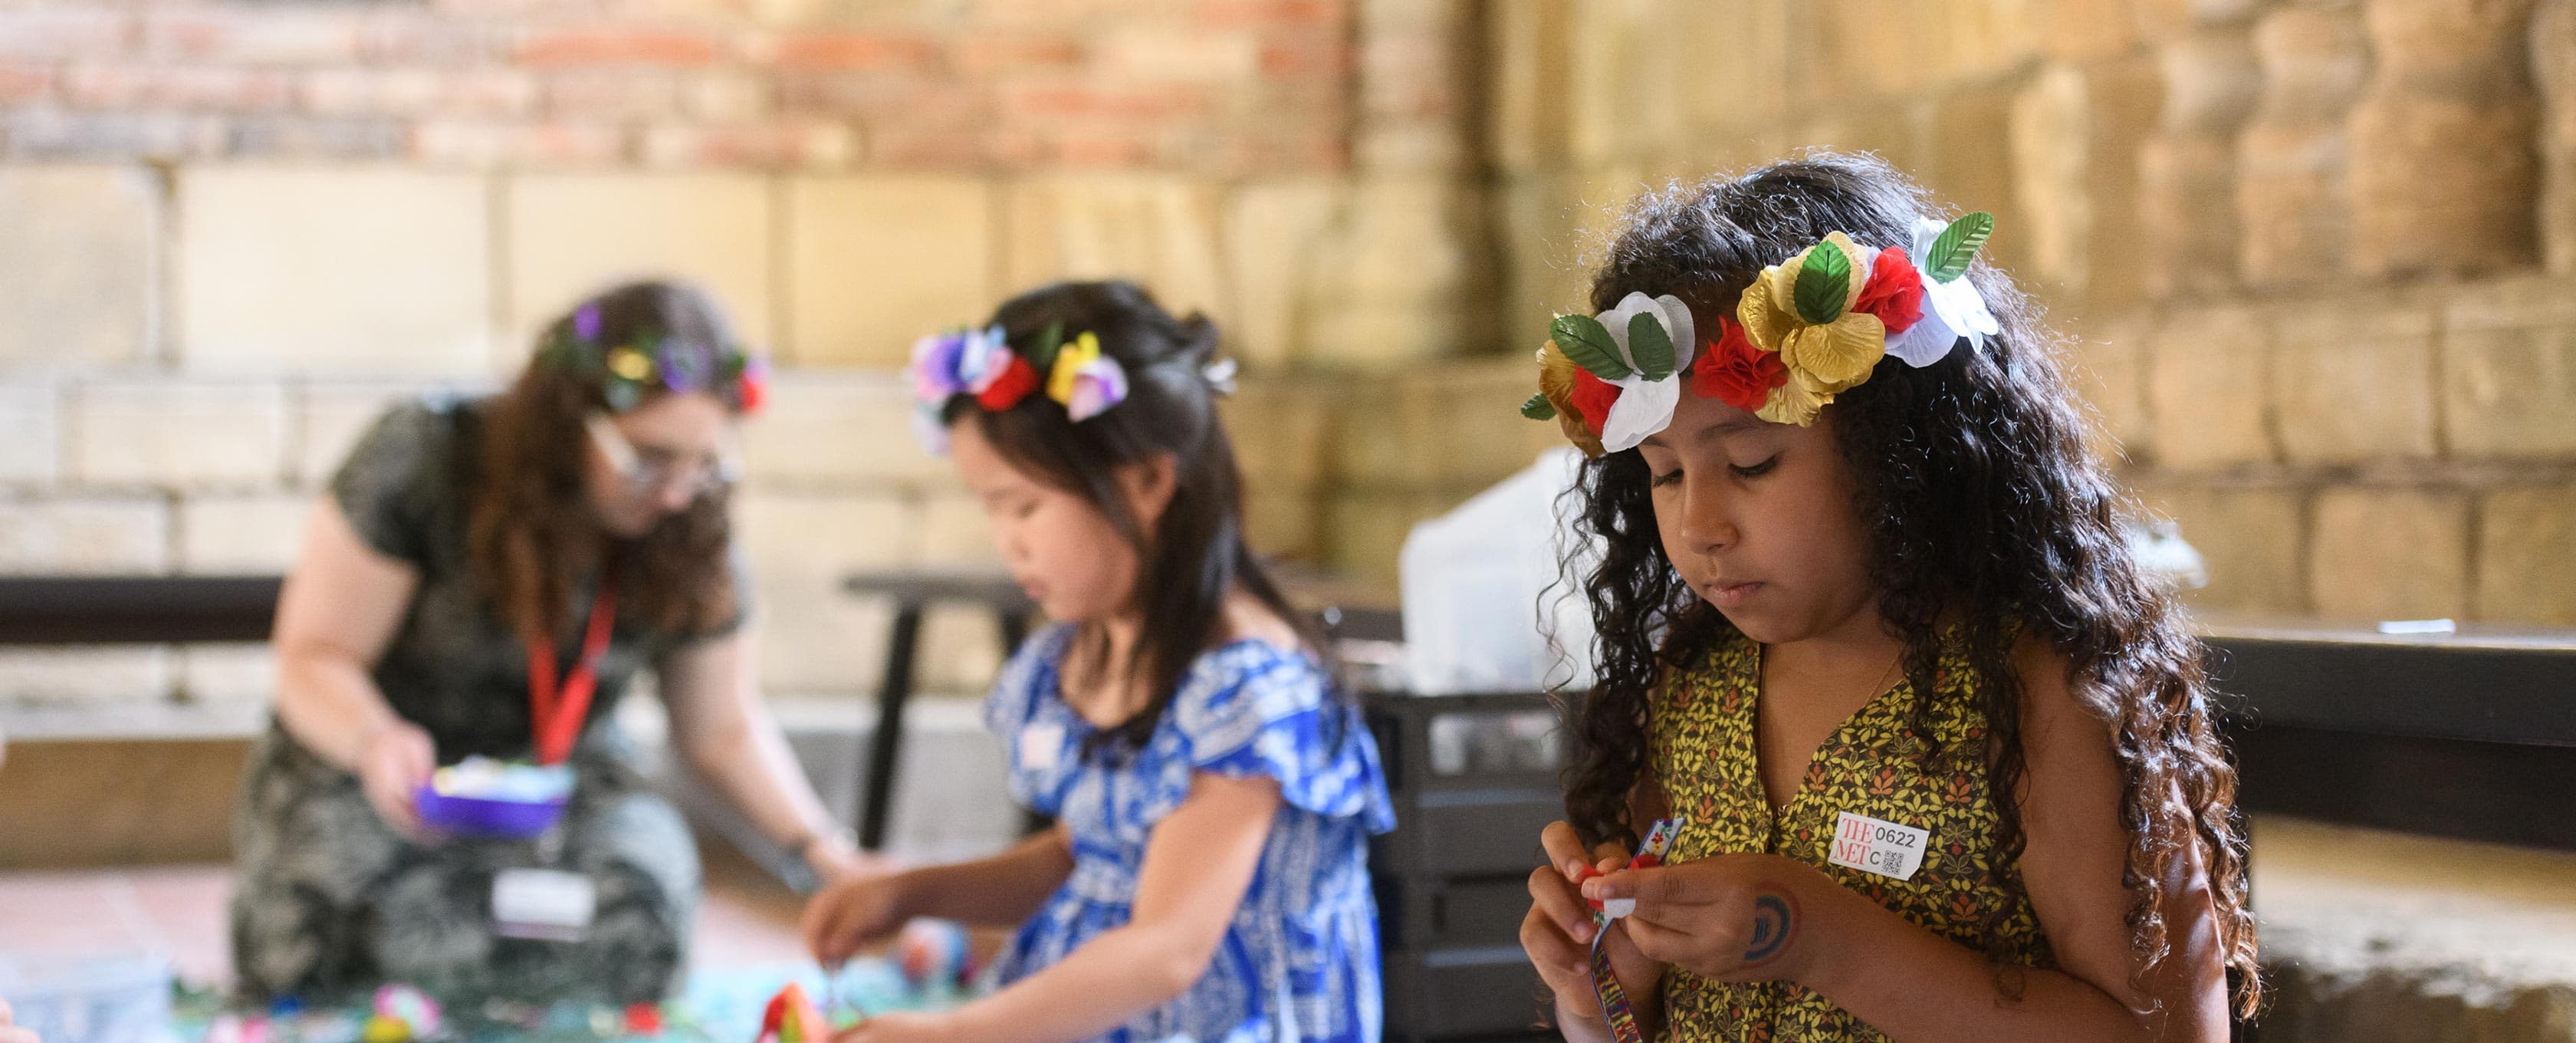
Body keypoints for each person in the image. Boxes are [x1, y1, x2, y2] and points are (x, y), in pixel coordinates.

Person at [1513, 155, 2259, 1041]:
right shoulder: (1694, 683)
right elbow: (1640, 1024)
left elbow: (2173, 1034)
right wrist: (1598, 984)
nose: (1700, 523)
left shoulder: (2040, 696)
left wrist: (1822, 940)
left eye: (1752, 463)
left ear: (1900, 448)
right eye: (1665, 474)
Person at [232, 281, 875, 1005]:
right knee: (322, 933)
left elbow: (721, 729)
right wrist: (375, 740)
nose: (673, 492)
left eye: (703, 464)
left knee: (646, 908)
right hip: (382, 773)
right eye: (648, 459)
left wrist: (826, 855)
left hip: (561, 786)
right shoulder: (426, 457)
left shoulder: (688, 518)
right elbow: (315, 656)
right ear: (567, 423)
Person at [802, 281, 1395, 1043]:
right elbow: (1092, 856)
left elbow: (1167, 949)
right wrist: (911, 893)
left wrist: (952, 1033)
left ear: (1147, 481)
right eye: (989, 507)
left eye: (1023, 506)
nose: (1006, 539)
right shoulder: (1084, 651)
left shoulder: (1245, 688)